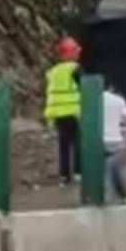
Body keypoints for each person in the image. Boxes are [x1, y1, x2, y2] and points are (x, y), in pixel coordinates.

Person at [44, 36, 82, 186]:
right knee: (78, 143)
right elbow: (85, 87)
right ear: (71, 53)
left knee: (63, 145)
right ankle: (80, 172)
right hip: (74, 111)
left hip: (58, 114)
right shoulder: (75, 69)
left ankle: (64, 176)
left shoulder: (53, 71)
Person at [102, 83, 126, 202]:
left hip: (97, 140)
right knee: (114, 168)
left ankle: (100, 196)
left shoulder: (92, 99)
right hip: (115, 139)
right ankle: (123, 196)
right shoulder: (119, 100)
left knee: (99, 170)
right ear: (111, 88)